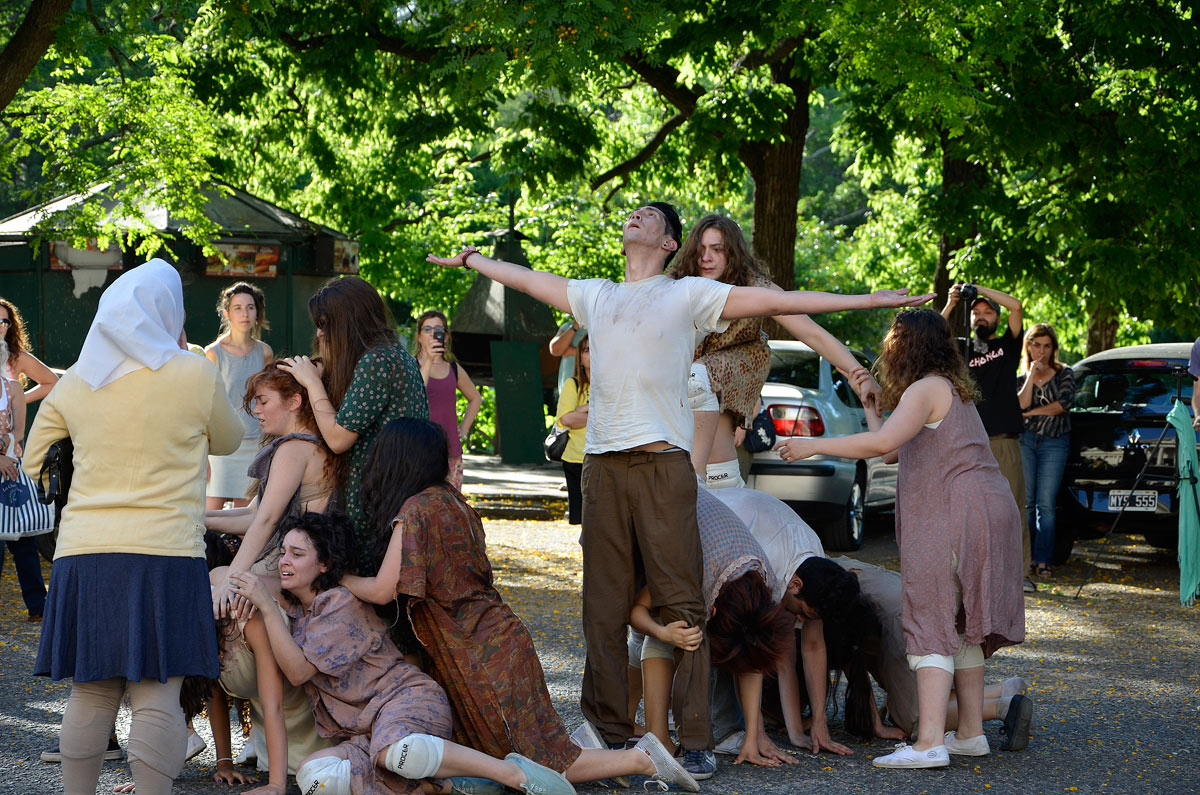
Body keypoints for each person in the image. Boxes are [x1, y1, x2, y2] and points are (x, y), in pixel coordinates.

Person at [428, 204, 931, 780]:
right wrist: (473, 260)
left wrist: (868, 302)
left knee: (685, 602)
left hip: (667, 467)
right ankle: (609, 735)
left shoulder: (688, 294)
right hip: (602, 468)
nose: (633, 216)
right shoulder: (598, 295)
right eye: (631, 212)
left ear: (668, 244)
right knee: (603, 608)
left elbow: (782, 303)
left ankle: (694, 739)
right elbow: (531, 280)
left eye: (648, 216)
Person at [344, 418, 699, 792]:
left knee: (534, 762)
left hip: (480, 653)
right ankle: (604, 758)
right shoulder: (452, 500)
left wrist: (336, 578)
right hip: (499, 639)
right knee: (521, 752)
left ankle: (641, 759)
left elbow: (384, 589)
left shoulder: (415, 512)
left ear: (395, 459)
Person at [23, 259, 244, 795]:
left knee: (91, 693)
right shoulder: (194, 372)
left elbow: (33, 461)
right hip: (168, 553)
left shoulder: (78, 380)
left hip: (86, 553)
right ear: (171, 313)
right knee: (157, 694)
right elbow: (231, 439)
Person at [778, 308, 1025, 769]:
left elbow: (877, 448)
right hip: (989, 510)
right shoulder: (951, 390)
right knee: (962, 623)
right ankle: (969, 732)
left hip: (954, 512)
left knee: (930, 618)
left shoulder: (925, 388)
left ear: (904, 347)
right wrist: (872, 409)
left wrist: (812, 444)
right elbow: (892, 449)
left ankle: (929, 741)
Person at [229, 512, 579, 795]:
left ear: (324, 565)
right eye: (284, 553)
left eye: (297, 554)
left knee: (396, 753)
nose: (284, 563)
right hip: (367, 734)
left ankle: (514, 773)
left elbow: (299, 672)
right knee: (316, 777)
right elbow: (234, 580)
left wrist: (266, 605)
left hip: (406, 702)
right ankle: (446, 785)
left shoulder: (338, 602)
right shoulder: (301, 610)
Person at [670, 215, 883, 488]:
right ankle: (718, 487)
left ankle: (694, 485)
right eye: (701, 249)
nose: (706, 257)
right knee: (723, 488)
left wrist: (857, 372)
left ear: (733, 252)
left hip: (740, 362)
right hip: (694, 403)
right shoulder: (678, 285)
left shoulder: (752, 284)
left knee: (697, 379)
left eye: (717, 249)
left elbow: (810, 331)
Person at [630, 486, 794, 768]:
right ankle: (656, 740)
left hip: (690, 524)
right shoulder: (687, 573)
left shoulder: (764, 589)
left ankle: (650, 735)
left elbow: (752, 660)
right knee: (667, 626)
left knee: (677, 628)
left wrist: (754, 737)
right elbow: (637, 610)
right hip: (649, 507)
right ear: (712, 610)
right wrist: (662, 632)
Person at [278, 276, 429, 563]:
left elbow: (337, 439)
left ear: (346, 321)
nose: (320, 334)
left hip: (377, 502)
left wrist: (312, 383)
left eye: (324, 324)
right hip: (393, 494)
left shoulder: (377, 362)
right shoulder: (396, 355)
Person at [706, 486, 851, 758]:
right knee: (723, 641)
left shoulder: (817, 564)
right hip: (715, 523)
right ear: (795, 584)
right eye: (803, 615)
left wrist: (811, 727)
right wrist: (756, 735)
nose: (799, 621)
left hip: (755, 521)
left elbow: (813, 646)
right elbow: (747, 653)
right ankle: (722, 728)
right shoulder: (763, 567)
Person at [209, 361, 336, 616]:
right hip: (300, 566)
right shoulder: (304, 444)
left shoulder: (293, 449)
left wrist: (229, 582)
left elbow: (266, 520)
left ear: (294, 402)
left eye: (263, 401)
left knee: (215, 577)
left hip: (300, 572)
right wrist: (199, 518)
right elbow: (255, 515)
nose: (256, 410)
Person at [941, 283, 1034, 592]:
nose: (981, 317)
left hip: (1002, 440)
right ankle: (967, 575)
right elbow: (930, 337)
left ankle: (1019, 575)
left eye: (987, 312)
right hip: (967, 441)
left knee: (1012, 507)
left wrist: (978, 288)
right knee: (966, 509)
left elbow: (1017, 306)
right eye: (976, 313)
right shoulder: (960, 347)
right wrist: (953, 303)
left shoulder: (1008, 347)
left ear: (996, 318)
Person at [205, 283, 274, 511]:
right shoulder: (213, 353)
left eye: (250, 307)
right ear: (227, 313)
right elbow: (206, 403)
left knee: (243, 513)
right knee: (211, 510)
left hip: (255, 441)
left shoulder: (264, 352)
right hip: (222, 445)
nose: (245, 314)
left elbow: (269, 397)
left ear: (257, 312)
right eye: (237, 308)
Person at [1018, 323, 1075, 578]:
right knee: (1027, 503)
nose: (1041, 351)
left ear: (1054, 348)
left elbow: (1061, 405)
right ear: (1028, 346)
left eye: (1047, 346)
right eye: (1036, 345)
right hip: (1026, 441)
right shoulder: (1020, 377)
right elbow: (1021, 403)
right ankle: (1026, 559)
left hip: (1054, 441)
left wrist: (1029, 414)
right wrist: (1031, 375)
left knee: (1046, 504)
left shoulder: (1065, 373)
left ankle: (1044, 560)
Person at [0, 345, 48, 622]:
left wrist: (7, 448)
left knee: (24, 541)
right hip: (3, 463)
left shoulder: (13, 389)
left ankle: (38, 607)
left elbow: (18, 430)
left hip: (11, 469)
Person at [413, 310, 482, 490]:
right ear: (419, 336)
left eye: (438, 329)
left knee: (449, 508)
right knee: (421, 506)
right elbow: (416, 394)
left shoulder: (453, 368)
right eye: (427, 329)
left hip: (450, 451)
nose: (432, 334)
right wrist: (428, 360)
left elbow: (475, 398)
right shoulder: (411, 365)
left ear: (446, 335)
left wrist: (463, 428)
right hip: (420, 449)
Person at [554, 335, 590, 525]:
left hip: (605, 459)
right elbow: (566, 419)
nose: (592, 355)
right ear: (580, 357)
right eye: (586, 350)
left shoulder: (611, 385)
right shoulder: (573, 384)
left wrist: (582, 410)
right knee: (583, 520)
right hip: (575, 459)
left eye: (596, 349)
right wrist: (595, 413)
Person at [0, 296, 59, 402]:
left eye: (4, 322)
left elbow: (52, 382)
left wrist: (18, 401)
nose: (0, 326)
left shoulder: (16, 358)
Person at [549, 318, 587, 397]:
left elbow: (603, 356)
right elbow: (555, 349)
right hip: (567, 394)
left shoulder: (599, 326)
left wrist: (572, 351)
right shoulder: (567, 326)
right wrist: (574, 327)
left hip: (589, 393)